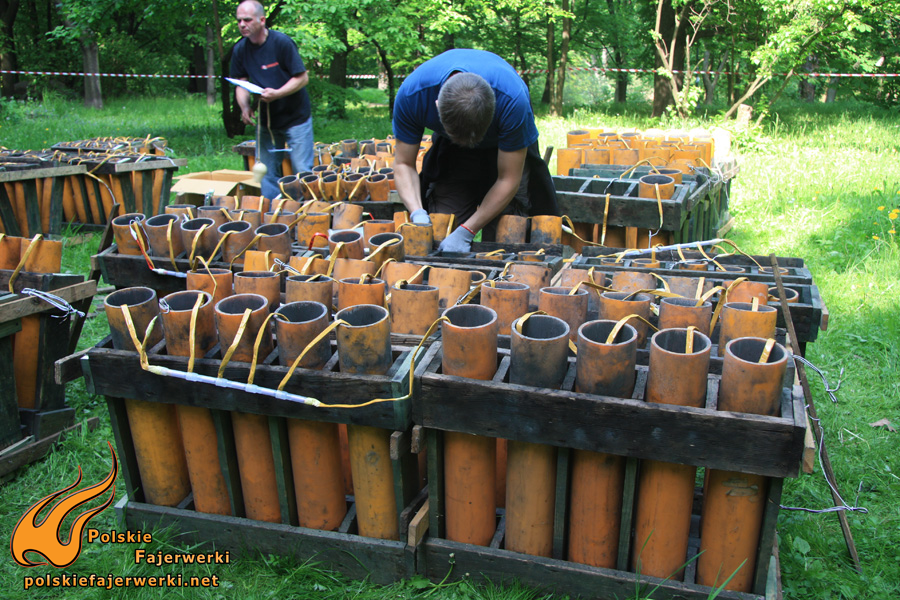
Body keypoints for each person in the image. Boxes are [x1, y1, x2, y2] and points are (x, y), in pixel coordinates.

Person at [392, 48, 558, 253]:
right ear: (437, 106)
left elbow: (508, 179)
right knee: (440, 229)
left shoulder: (512, 102)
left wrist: (467, 231)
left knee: (505, 239)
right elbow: (403, 163)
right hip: (452, 153)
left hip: (503, 149)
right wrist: (417, 213)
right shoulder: (413, 95)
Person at [230, 0, 313, 199]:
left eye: (247, 20)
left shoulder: (281, 43)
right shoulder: (240, 49)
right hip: (267, 121)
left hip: (296, 117)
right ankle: (272, 213)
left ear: (262, 20)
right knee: (266, 172)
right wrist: (244, 107)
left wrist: (278, 93)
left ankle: (308, 210)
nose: (242, 25)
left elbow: (302, 78)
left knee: (302, 170)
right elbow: (241, 83)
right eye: (239, 21)